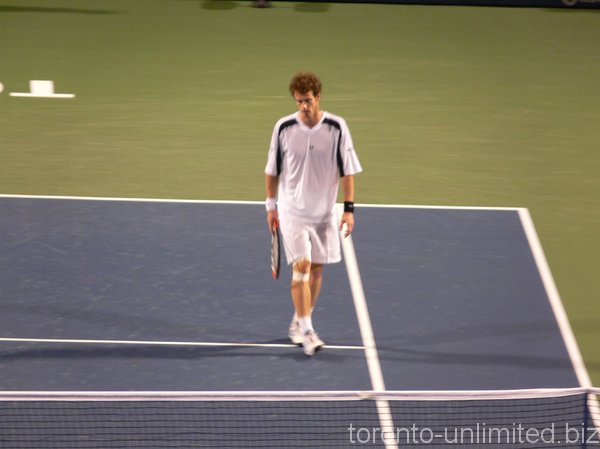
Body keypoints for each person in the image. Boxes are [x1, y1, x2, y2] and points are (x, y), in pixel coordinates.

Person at [264, 71, 362, 356]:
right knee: (302, 267)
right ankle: (307, 329)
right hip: (292, 211)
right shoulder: (283, 128)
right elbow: (272, 170)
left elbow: (348, 171)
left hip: (323, 214)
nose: (303, 107)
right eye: (299, 102)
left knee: (317, 269)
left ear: (318, 97)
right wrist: (271, 206)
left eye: (307, 101)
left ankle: (299, 318)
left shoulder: (337, 127)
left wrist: (349, 209)